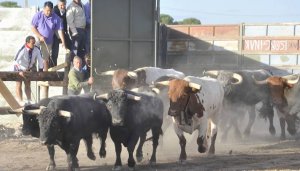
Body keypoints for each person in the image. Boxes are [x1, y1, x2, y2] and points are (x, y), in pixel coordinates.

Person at [31, 1, 66, 71]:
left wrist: (63, 42)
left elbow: (59, 30)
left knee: (45, 59)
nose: (48, 12)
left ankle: (45, 76)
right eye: (47, 10)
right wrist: (40, 36)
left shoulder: (56, 18)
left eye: (50, 11)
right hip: (37, 40)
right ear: (43, 9)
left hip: (48, 42)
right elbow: (33, 27)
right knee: (35, 57)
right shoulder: (38, 15)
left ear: (52, 10)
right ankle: (36, 74)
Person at [13, 36, 44, 104]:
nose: (34, 44)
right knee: (19, 84)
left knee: (27, 84)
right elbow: (15, 61)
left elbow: (40, 60)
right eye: (32, 43)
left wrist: (41, 70)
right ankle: (20, 101)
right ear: (27, 43)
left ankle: (29, 100)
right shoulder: (22, 49)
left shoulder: (37, 49)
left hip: (28, 68)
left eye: (34, 42)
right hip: (19, 67)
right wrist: (19, 71)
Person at [51, 0, 72, 68]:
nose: (63, 7)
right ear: (57, 4)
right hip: (55, 33)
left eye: (64, 5)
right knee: (54, 53)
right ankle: (53, 71)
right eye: (61, 5)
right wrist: (61, 39)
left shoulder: (66, 11)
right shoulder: (54, 11)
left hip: (64, 32)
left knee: (70, 49)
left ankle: (68, 66)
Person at [66, 0, 86, 65]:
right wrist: (74, 32)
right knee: (75, 51)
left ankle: (80, 69)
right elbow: (70, 21)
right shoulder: (71, 7)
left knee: (81, 50)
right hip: (76, 30)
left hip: (83, 30)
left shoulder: (82, 4)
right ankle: (73, 68)